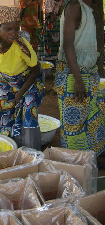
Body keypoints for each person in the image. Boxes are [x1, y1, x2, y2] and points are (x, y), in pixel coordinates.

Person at [0, 6, 45, 151]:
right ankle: (6, 149)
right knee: (0, 113)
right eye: (8, 29)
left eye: (16, 29)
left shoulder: (21, 46)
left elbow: (36, 70)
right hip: (7, 80)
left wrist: (21, 93)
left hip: (30, 80)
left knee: (28, 113)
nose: (13, 33)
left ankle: (30, 152)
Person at [54, 0, 105, 156]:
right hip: (74, 75)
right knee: (73, 125)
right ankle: (78, 162)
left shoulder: (88, 9)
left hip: (87, 74)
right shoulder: (74, 6)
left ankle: (92, 157)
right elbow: (68, 44)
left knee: (93, 116)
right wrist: (78, 80)